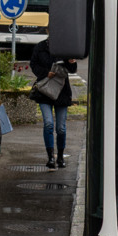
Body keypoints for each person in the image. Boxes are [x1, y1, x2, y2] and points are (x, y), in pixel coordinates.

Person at [29, 37, 77, 168]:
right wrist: (46, 73)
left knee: (61, 128)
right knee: (48, 124)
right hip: (45, 91)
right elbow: (33, 64)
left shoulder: (65, 48)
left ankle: (60, 156)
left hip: (61, 91)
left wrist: (71, 62)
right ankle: (50, 157)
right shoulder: (40, 47)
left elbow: (72, 69)